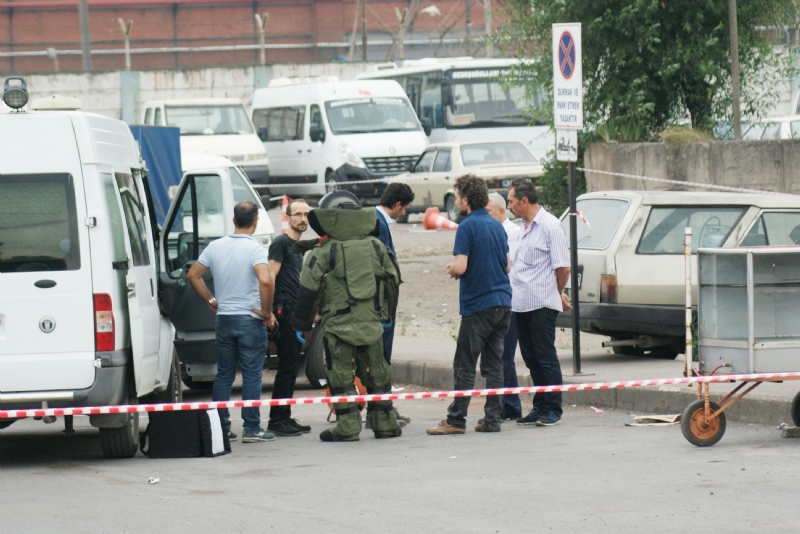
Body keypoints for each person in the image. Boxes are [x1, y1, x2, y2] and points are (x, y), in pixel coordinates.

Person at [293, 195, 403, 442]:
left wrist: (301, 325)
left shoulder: (322, 252)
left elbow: (307, 290)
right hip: (373, 323)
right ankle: (384, 422)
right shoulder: (377, 246)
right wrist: (388, 317)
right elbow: (393, 282)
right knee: (378, 371)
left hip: (337, 325)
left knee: (340, 374)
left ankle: (348, 425)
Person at [426, 175, 512, 436]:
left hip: (479, 304)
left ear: (464, 198)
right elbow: (507, 265)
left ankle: (456, 419)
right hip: (503, 302)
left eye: (457, 194)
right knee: (494, 364)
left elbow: (461, 266)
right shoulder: (498, 225)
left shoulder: (466, 226)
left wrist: (454, 269)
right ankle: (492, 419)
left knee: (465, 363)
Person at [187, 200, 277, 443]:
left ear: (234, 221)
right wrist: (267, 313)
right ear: (256, 223)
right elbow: (266, 281)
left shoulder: (215, 247)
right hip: (249, 319)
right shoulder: (256, 249)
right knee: (251, 375)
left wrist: (211, 300)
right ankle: (251, 427)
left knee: (224, 374)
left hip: (224, 319)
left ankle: (221, 427)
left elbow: (193, 275)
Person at [506, 178, 572, 427]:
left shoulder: (550, 226)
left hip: (542, 302)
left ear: (524, 201)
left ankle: (553, 408)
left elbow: (563, 268)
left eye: (512, 202)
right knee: (531, 357)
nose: (509, 206)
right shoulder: (523, 226)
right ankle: (540, 405)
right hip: (521, 303)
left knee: (545, 356)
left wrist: (556, 292)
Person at [266, 199, 313, 437]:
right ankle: (277, 419)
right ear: (288, 218)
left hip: (295, 314)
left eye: (306, 215)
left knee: (292, 366)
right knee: (287, 367)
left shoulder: (297, 246)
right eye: (298, 215)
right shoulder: (281, 243)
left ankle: (284, 415)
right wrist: (270, 311)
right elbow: (270, 276)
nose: (303, 219)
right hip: (284, 314)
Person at [375, 182, 415, 426]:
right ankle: (382, 410)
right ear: (398, 205)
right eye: (405, 209)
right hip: (381, 304)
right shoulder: (379, 224)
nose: (404, 214)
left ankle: (381, 408)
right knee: (381, 359)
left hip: (376, 303)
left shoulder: (373, 219)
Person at [486, 192, 522, 421]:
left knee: (503, 357)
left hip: (512, 302)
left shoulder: (513, 234)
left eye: (488, 211)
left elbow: (512, 268)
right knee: (501, 356)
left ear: (501, 211)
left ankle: (503, 406)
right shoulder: (493, 230)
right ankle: (511, 405)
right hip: (500, 301)